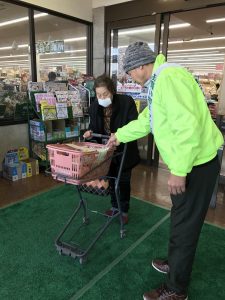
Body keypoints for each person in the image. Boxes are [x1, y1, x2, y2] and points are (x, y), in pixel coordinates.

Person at [107, 42, 224, 299]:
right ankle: (175, 263)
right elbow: (148, 121)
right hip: (190, 161)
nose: (130, 78)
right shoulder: (159, 82)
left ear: (139, 67)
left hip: (197, 164)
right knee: (180, 217)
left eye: (129, 73)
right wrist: (119, 135)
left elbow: (187, 127)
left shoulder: (169, 78)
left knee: (185, 226)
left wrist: (179, 170)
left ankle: (175, 289)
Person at [83, 74, 140, 224]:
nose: (102, 97)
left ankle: (124, 210)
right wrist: (89, 133)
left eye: (105, 94)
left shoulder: (126, 102)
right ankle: (115, 207)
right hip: (107, 151)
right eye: (99, 94)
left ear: (112, 91)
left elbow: (135, 125)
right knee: (112, 179)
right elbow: (94, 127)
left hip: (125, 149)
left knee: (124, 180)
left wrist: (120, 134)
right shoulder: (95, 106)